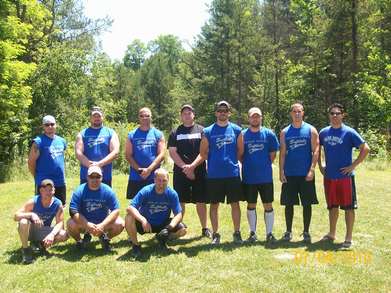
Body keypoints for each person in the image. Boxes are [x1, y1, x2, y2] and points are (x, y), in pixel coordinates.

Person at [188, 101, 243, 245]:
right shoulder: (208, 131)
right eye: (220, 110)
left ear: (229, 112)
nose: (222, 112)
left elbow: (240, 150)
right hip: (214, 175)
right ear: (216, 113)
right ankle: (216, 233)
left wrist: (230, 161)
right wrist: (215, 161)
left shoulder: (237, 130)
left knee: (235, 204)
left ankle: (237, 233)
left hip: (232, 173)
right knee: (214, 205)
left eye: (225, 110)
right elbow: (203, 152)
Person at [319, 103, 369, 248]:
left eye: (337, 113)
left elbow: (365, 148)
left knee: (348, 208)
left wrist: (353, 166)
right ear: (329, 115)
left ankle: (348, 238)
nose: (335, 116)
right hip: (329, 177)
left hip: (345, 178)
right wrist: (321, 165)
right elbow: (317, 149)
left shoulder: (349, 132)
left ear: (343, 115)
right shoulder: (324, 132)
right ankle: (332, 233)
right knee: (332, 207)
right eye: (332, 113)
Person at [168, 104, 212, 238]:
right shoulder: (175, 132)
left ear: (194, 114)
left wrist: (192, 167)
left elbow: (204, 152)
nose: (187, 115)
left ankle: (205, 228)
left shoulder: (202, 131)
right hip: (180, 172)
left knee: (201, 201)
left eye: (189, 113)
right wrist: (185, 168)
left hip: (199, 171)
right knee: (180, 200)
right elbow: (172, 152)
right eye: (184, 113)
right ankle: (178, 227)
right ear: (181, 116)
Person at [279, 102, 319, 243]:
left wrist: (312, 170)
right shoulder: (284, 132)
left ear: (303, 113)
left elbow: (316, 151)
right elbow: (282, 153)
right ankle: (288, 231)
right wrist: (281, 171)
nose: (297, 114)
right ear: (291, 113)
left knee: (306, 204)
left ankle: (306, 232)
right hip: (290, 173)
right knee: (289, 204)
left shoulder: (311, 130)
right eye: (294, 111)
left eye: (299, 111)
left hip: (305, 174)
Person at [239, 107, 279, 243]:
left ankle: (269, 233)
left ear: (261, 118)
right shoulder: (243, 135)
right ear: (248, 118)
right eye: (252, 116)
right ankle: (252, 233)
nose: (255, 118)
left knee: (268, 204)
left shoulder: (269, 134)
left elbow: (273, 154)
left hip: (265, 177)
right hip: (249, 177)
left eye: (258, 116)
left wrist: (263, 164)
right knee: (251, 205)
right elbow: (240, 155)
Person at [125, 168, 186, 257]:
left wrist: (169, 228)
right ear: (154, 180)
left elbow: (179, 214)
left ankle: (161, 238)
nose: (161, 183)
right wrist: (143, 220)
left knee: (182, 230)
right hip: (145, 224)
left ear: (168, 180)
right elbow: (130, 207)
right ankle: (136, 245)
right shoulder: (146, 190)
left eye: (164, 180)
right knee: (129, 217)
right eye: (159, 180)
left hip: (162, 224)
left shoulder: (172, 193)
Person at [67, 166, 124, 252]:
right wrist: (87, 224)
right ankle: (80, 241)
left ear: (102, 177)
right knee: (70, 223)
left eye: (97, 176)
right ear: (87, 177)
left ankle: (105, 239)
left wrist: (103, 225)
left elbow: (116, 210)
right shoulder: (79, 190)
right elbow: (73, 211)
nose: (95, 179)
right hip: (84, 222)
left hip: (102, 222)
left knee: (120, 223)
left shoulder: (108, 190)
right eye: (92, 177)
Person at [14, 179, 68, 264]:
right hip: (29, 230)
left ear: (54, 191)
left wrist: (52, 235)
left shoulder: (57, 204)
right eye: (45, 190)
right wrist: (31, 215)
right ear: (41, 191)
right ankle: (26, 249)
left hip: (42, 229)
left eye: (50, 189)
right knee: (23, 222)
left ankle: (40, 245)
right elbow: (16, 216)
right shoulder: (34, 201)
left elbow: (60, 223)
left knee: (63, 235)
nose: (48, 192)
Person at [125, 107, 166, 199]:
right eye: (142, 116)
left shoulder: (158, 134)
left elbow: (162, 155)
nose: (144, 118)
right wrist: (140, 170)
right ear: (138, 118)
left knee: (154, 202)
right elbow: (128, 155)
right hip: (136, 176)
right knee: (135, 205)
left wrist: (149, 170)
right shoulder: (131, 135)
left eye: (147, 116)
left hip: (154, 176)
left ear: (151, 117)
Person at [75, 106, 120, 187]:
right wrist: (91, 166)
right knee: (86, 199)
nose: (96, 118)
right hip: (87, 175)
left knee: (104, 198)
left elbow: (115, 152)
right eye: (94, 116)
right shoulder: (82, 134)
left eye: (99, 116)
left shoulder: (111, 133)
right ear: (90, 118)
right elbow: (78, 153)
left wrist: (100, 164)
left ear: (102, 117)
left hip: (105, 175)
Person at [28, 115, 67, 205]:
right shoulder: (38, 142)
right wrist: (36, 176)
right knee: (42, 208)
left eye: (52, 124)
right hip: (44, 182)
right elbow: (31, 162)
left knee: (60, 207)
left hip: (60, 181)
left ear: (56, 125)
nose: (50, 127)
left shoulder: (62, 141)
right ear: (43, 126)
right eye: (47, 125)